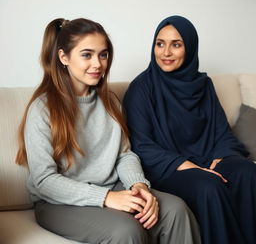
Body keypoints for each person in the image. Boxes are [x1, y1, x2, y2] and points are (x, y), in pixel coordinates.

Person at [15, 17, 201, 244]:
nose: (98, 64)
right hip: (58, 202)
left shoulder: (111, 102)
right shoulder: (42, 109)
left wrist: (139, 185)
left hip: (114, 186)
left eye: (103, 55)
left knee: (176, 210)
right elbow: (44, 180)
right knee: (125, 231)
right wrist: (105, 197)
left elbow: (125, 154)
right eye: (87, 55)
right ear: (64, 57)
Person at [123, 15, 256, 244]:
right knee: (209, 186)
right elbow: (142, 146)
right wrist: (193, 167)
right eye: (160, 43)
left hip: (209, 158)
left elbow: (222, 132)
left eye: (176, 44)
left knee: (248, 172)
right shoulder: (141, 89)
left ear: (190, 48)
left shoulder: (203, 85)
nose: (165, 52)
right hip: (168, 168)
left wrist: (219, 158)